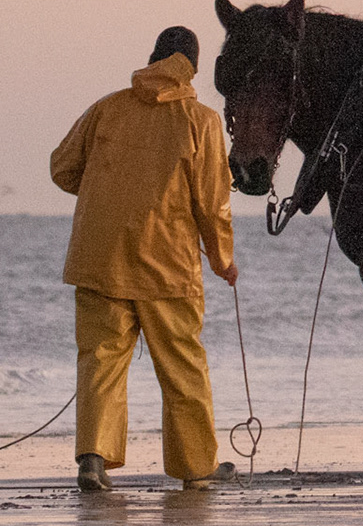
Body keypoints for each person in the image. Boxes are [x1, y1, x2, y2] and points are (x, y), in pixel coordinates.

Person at [50, 26, 240, 491]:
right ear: (192, 68)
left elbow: (62, 167)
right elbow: (211, 202)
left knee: (100, 361)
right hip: (167, 264)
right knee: (182, 367)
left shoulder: (107, 108)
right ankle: (196, 467)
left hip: (99, 257)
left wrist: (109, 194)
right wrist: (222, 261)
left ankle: (93, 461)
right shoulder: (201, 120)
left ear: (152, 57)